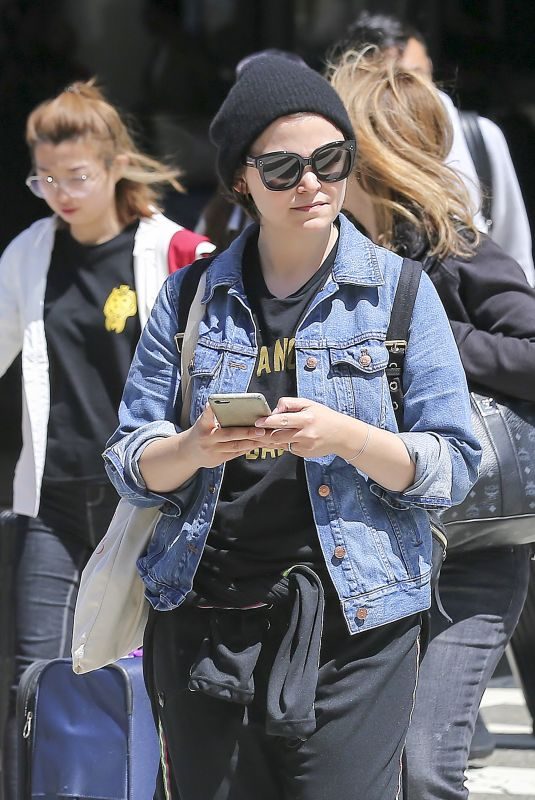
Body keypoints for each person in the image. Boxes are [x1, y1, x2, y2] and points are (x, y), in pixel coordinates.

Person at [104, 53, 480, 800]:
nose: (310, 184)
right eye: (282, 169)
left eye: (329, 160)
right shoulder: (188, 300)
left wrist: (347, 437)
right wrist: (193, 446)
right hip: (206, 617)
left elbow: (453, 463)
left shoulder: (399, 294)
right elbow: (128, 457)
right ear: (242, 179)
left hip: (357, 624)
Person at [0, 79, 214, 799]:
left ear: (117, 164)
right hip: (54, 501)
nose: (59, 193)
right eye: (44, 178)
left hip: (149, 504)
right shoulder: (29, 254)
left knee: (157, 680)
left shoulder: (180, 252)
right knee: (37, 678)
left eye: (76, 177)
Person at [329, 51, 534, 799]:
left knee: (424, 767)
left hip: (470, 537)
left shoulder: (454, 250)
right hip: (357, 541)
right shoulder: (312, 261)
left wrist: (431, 334)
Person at [330, 10, 535, 286]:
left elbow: (517, 257)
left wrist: (439, 329)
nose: (414, 96)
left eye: (417, 77)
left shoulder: (480, 138)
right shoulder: (336, 174)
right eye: (387, 85)